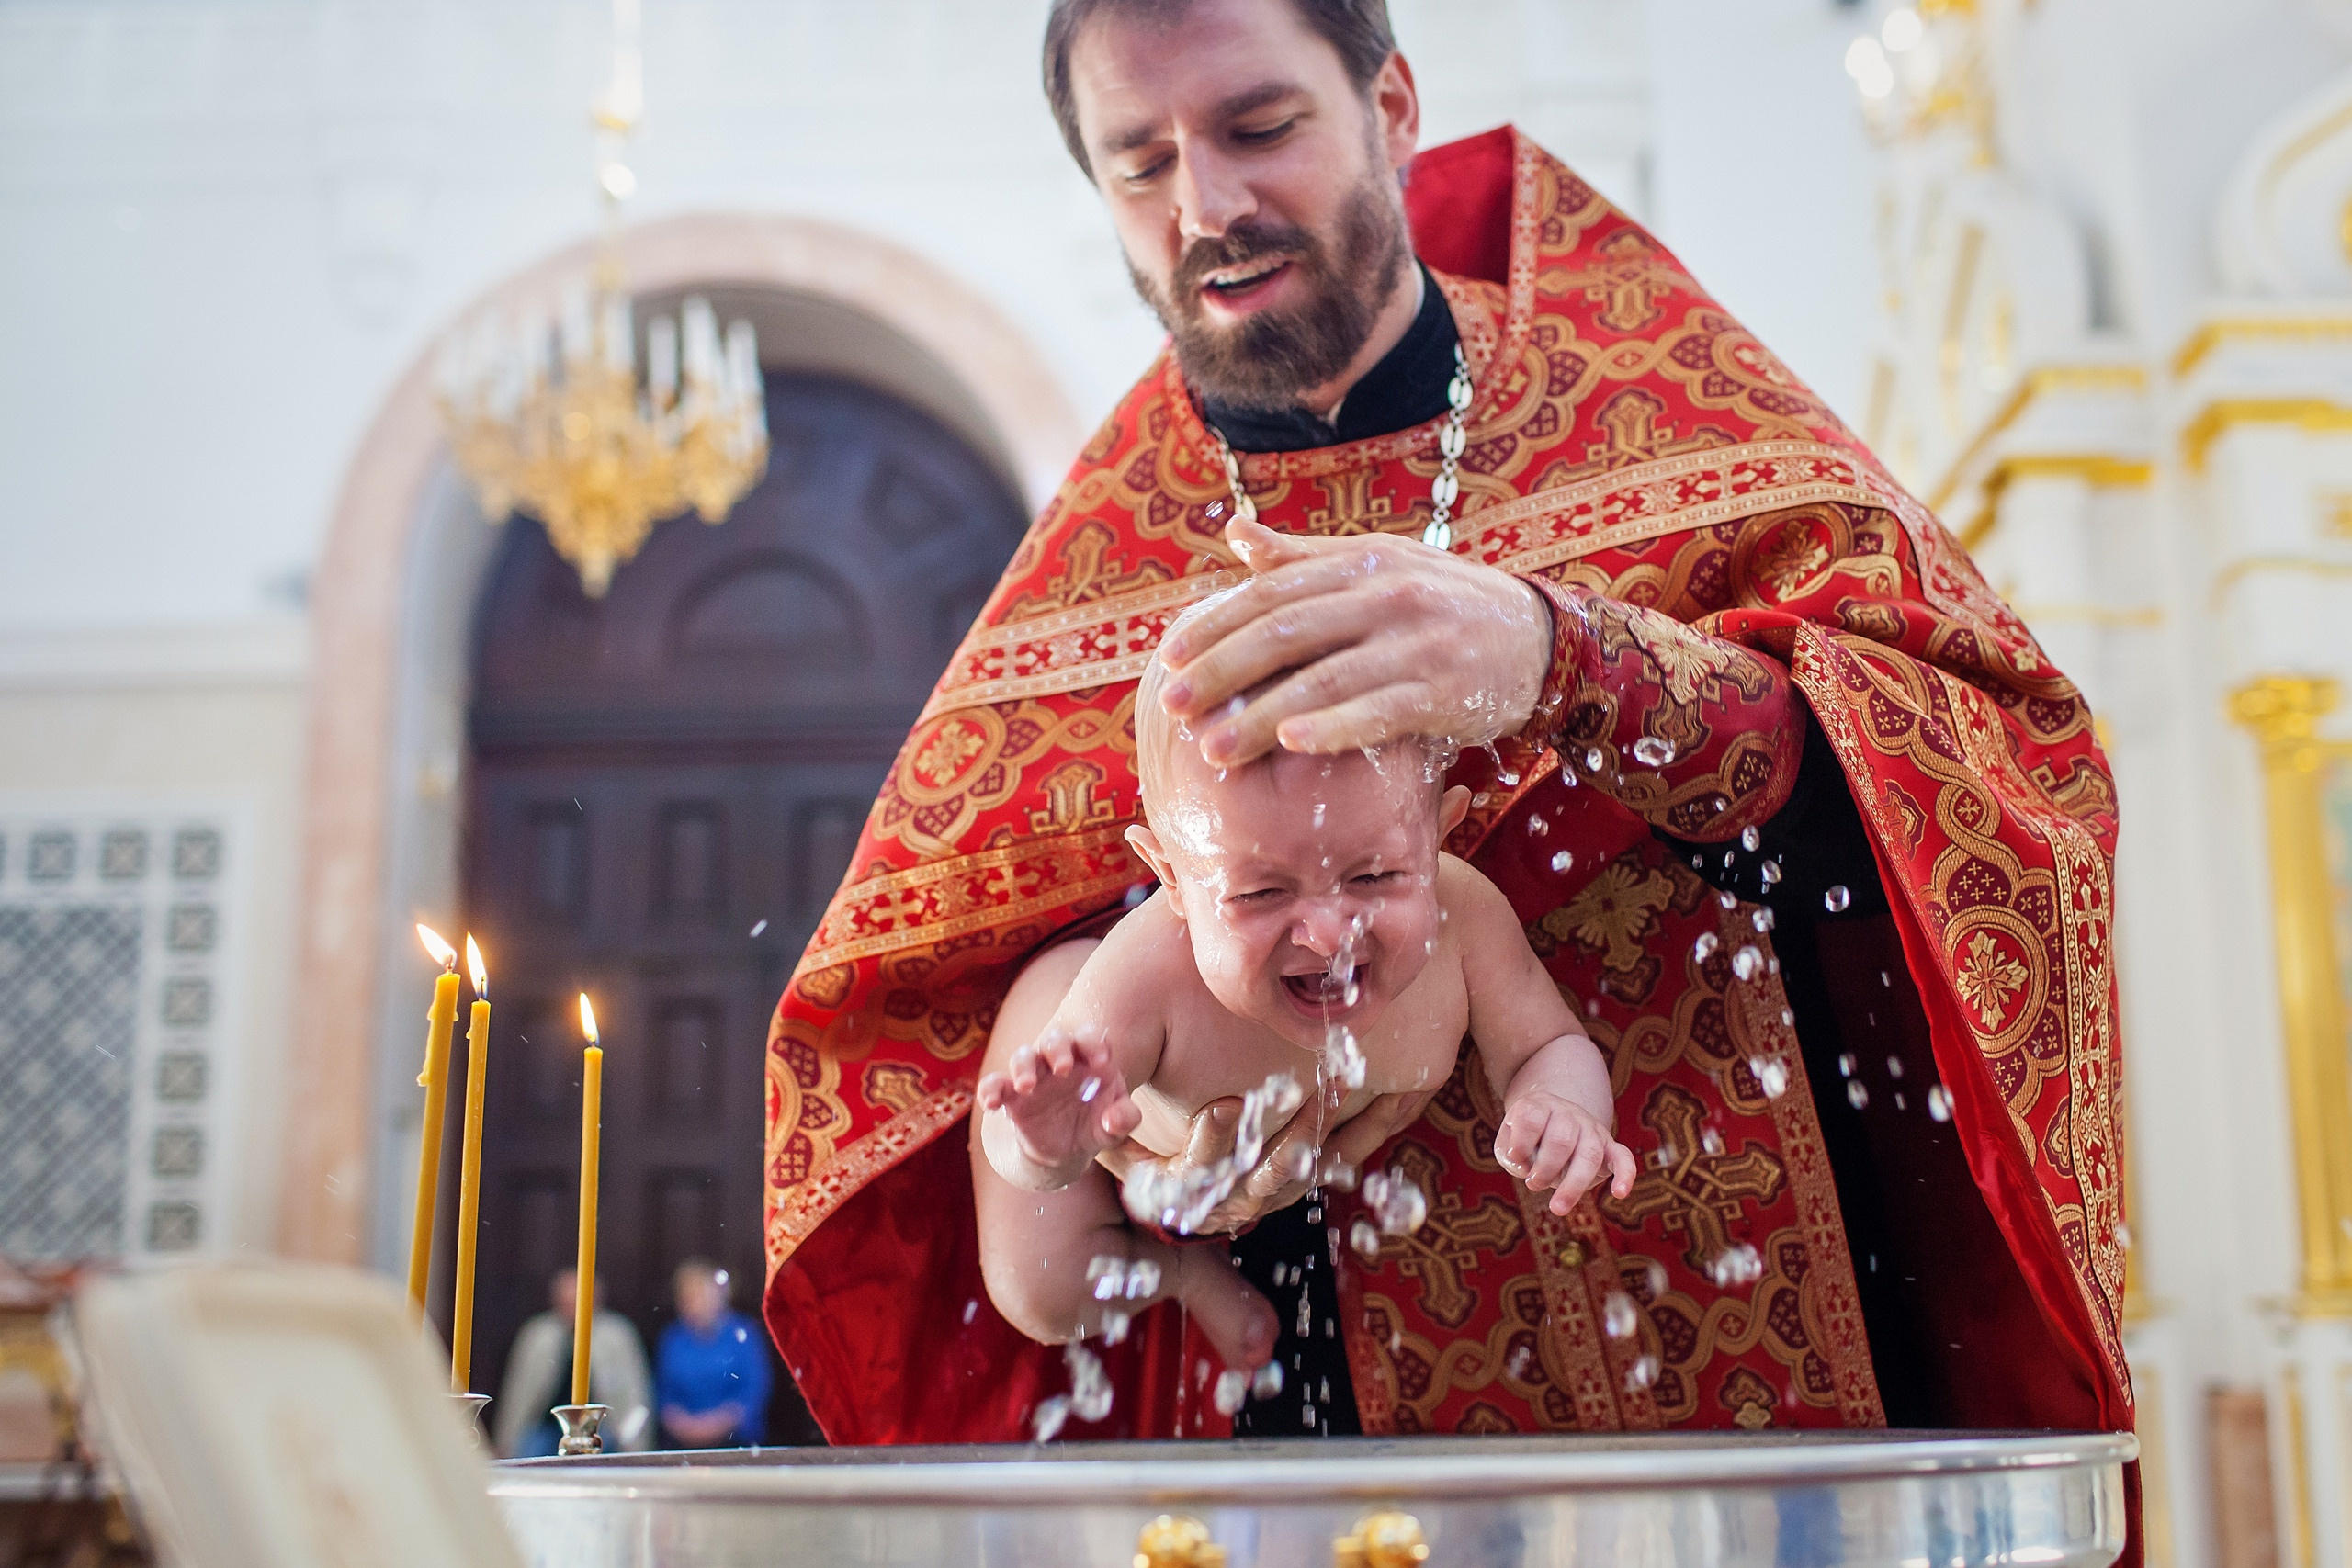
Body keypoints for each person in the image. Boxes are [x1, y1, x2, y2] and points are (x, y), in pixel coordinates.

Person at [762, 0, 2130, 1537]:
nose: (1204, 206)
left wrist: (1569, 658)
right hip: (1326, 1433)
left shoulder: (1637, 396)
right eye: (1139, 161)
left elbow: (1996, 775)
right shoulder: (1099, 559)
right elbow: (899, 1042)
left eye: (1258, 126)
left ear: (1392, 106)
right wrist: (1129, 1119)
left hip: (1755, 1348)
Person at [973, 628, 1636, 1400]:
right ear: (1174, 883)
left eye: (1376, 875)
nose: (1329, 934)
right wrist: (1042, 1143)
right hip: (1064, 1032)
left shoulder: (1467, 922)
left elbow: (1546, 1042)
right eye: (1261, 893)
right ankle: (1181, 1274)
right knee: (1041, 1289)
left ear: (1440, 837)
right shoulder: (1141, 979)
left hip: (1285, 1138)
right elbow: (1022, 1152)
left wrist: (1562, 1103)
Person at [492, 1269, 654, 1459]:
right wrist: (505, 1441)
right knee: (531, 1454)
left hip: (602, 1430)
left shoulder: (616, 1336)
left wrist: (637, 1444)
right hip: (548, 1428)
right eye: (568, 1302)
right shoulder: (538, 1336)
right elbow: (518, 1395)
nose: (574, 1309)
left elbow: (633, 1392)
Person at [654, 1260, 772, 1449]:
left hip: (738, 1445)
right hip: (682, 1446)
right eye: (690, 1298)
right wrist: (687, 1427)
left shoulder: (743, 1333)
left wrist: (717, 1425)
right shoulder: (672, 1339)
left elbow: (755, 1390)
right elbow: (664, 1396)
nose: (697, 1304)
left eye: (703, 1296)